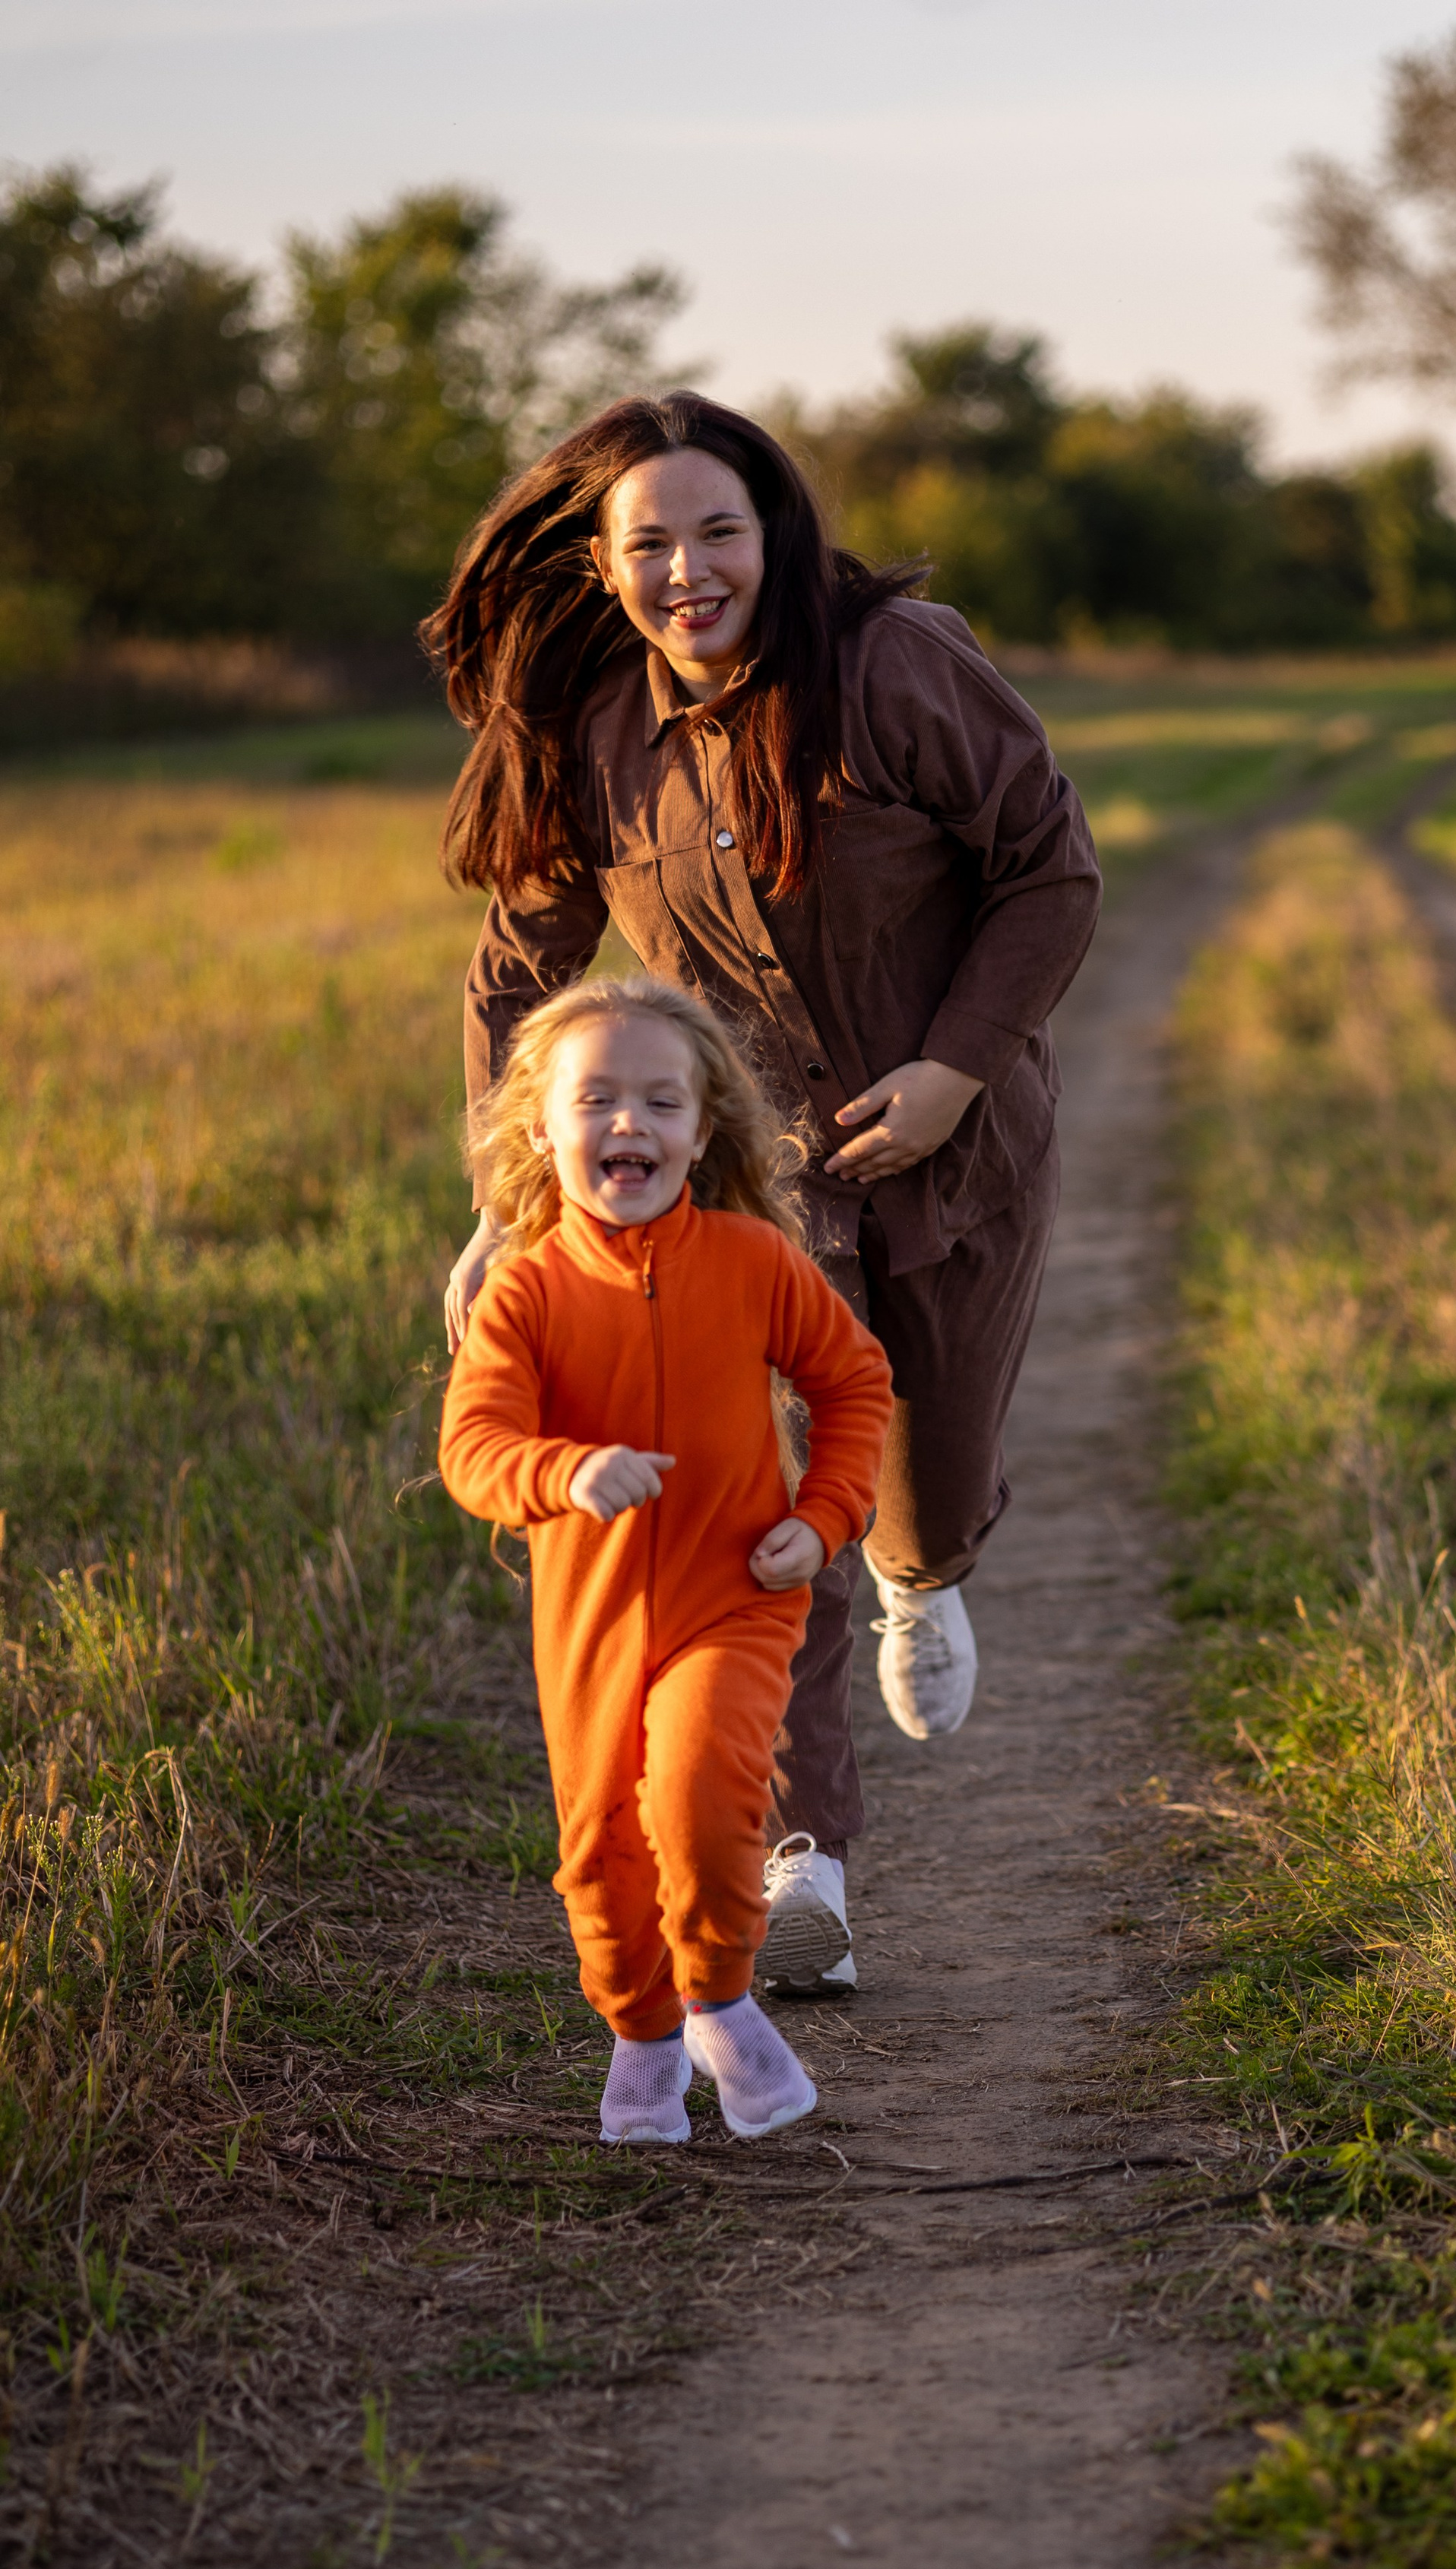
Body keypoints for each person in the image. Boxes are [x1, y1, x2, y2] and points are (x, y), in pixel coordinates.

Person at [429, 391, 1100, 1994]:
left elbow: (1048, 871)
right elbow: (519, 968)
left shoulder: (897, 668)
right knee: (764, 1507)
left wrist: (952, 1070)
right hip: (752, 1192)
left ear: (773, 531)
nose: (688, 571)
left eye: (717, 530)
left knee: (921, 1483)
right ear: (600, 567)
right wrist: (512, 1200)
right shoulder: (592, 730)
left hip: (959, 1153)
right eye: (649, 543)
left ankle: (925, 1569)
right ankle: (803, 1865)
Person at [438, 974, 892, 2143]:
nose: (628, 1121)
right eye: (596, 1099)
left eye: (660, 1101)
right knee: (599, 1852)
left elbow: (853, 1384)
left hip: (737, 1594)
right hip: (588, 1627)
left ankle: (722, 2002)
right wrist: (564, 1471)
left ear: (703, 1131)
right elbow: (474, 1447)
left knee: (701, 1799)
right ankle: (644, 2039)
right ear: (543, 1130)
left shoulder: (753, 1263)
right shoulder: (526, 1293)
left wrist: (825, 1517)